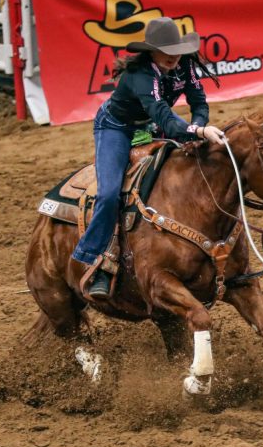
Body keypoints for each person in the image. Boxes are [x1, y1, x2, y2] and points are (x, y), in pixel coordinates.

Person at [72, 17, 228, 298]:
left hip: (154, 125)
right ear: (151, 52)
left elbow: (199, 102)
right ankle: (97, 260)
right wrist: (198, 131)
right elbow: (163, 115)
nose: (172, 57)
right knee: (108, 194)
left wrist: (197, 126)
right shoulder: (141, 75)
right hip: (117, 128)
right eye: (165, 51)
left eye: (175, 51)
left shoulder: (184, 66)